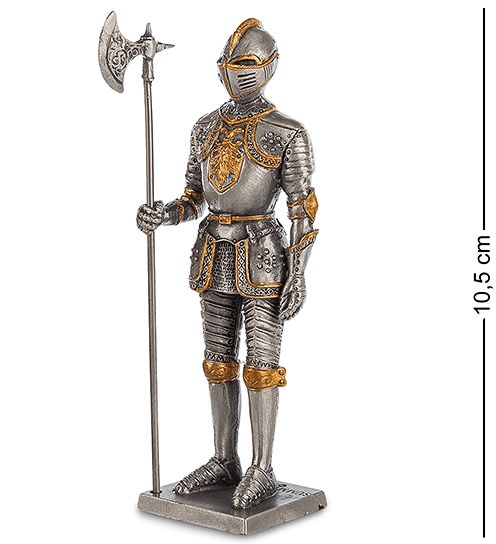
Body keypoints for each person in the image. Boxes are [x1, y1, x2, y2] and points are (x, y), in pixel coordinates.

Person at [136, 18, 319, 509]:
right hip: (213, 250)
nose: (239, 73)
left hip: (263, 255)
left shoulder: (287, 133)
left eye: (249, 64)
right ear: (220, 68)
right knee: (218, 361)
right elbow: (194, 196)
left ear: (270, 67)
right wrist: (165, 213)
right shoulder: (205, 128)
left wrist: (298, 273)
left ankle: (262, 467)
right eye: (231, 64)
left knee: (262, 364)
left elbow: (302, 208)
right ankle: (224, 458)